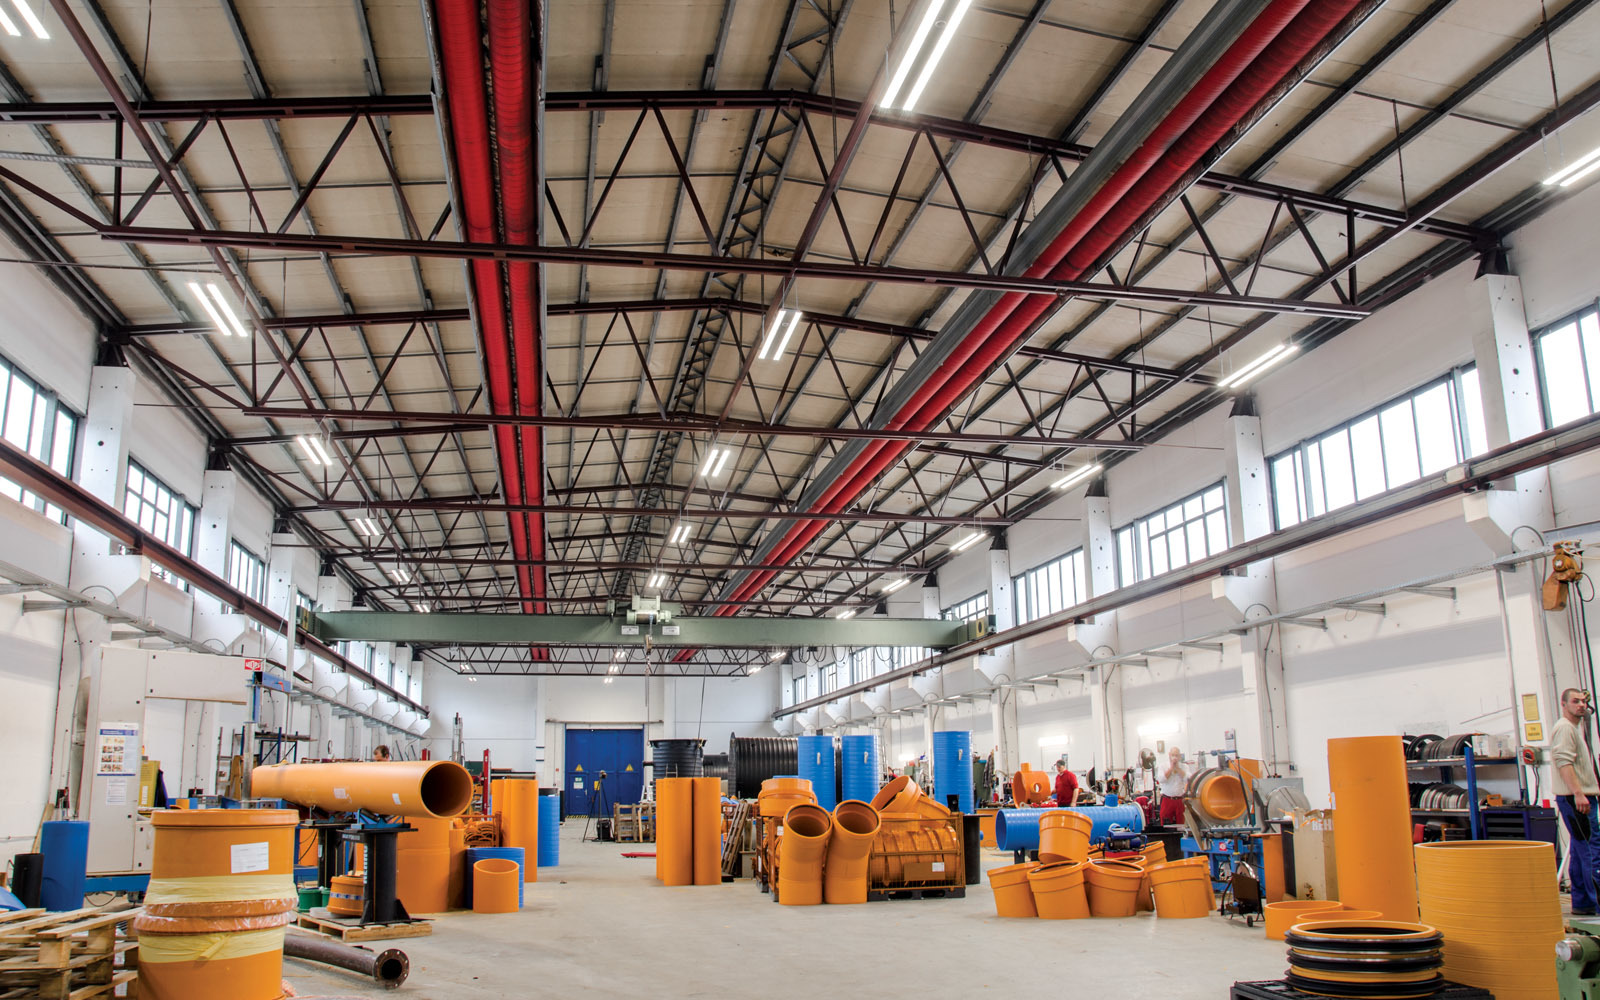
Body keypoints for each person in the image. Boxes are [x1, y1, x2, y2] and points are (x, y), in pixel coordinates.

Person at [1554, 688, 1600, 915]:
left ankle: (1583, 903)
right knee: (1591, 850)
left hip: (1576, 797)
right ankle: (1595, 902)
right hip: (1576, 799)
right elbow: (1563, 762)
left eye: (1583, 701)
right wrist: (1579, 793)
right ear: (1564, 704)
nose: (1581, 705)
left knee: (1581, 849)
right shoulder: (1565, 729)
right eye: (1575, 701)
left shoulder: (1572, 728)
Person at [1159, 746, 1188, 826]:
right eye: (1173, 755)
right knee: (1165, 824)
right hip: (1167, 799)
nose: (1174, 757)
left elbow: (1188, 779)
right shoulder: (1163, 766)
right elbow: (1161, 779)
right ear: (1169, 755)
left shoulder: (1184, 767)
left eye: (1176, 755)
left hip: (1179, 800)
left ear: (1179, 756)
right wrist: (1171, 768)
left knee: (1181, 824)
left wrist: (1178, 769)